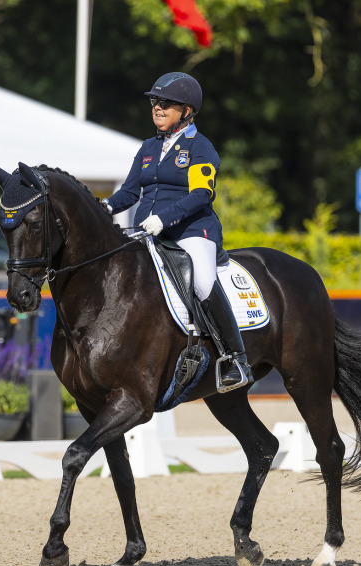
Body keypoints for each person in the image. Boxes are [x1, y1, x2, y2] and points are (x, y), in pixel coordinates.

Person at [104, 72, 252, 392]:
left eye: (166, 103)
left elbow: (201, 194)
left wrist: (164, 218)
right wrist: (102, 208)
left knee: (202, 280)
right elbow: (129, 194)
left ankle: (234, 357)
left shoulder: (200, 147)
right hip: (147, 232)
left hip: (192, 230)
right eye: (155, 102)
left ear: (186, 110)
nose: (157, 107)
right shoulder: (147, 148)